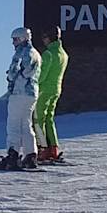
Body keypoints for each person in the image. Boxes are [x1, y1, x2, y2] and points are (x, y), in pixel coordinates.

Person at [0, 27, 42, 170]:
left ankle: (13, 155)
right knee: (26, 124)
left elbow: (15, 71)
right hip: (31, 93)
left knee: (14, 124)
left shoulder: (21, 53)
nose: (13, 43)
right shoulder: (36, 53)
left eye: (15, 39)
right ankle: (30, 155)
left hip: (19, 92)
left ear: (22, 38)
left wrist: (10, 76)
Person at [34, 25, 69, 162]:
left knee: (38, 119)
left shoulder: (48, 54)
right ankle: (53, 148)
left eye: (44, 37)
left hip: (44, 90)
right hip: (56, 89)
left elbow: (42, 76)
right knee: (49, 118)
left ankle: (42, 149)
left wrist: (33, 81)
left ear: (50, 37)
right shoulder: (63, 54)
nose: (43, 40)